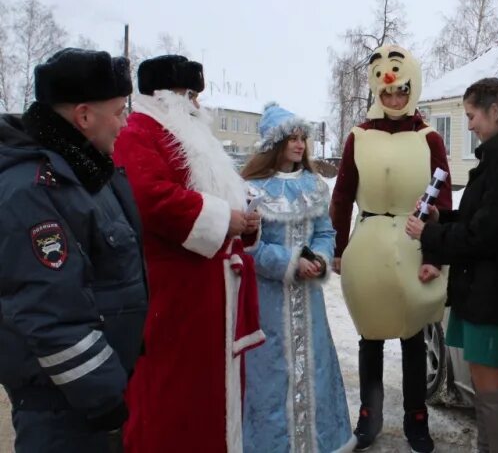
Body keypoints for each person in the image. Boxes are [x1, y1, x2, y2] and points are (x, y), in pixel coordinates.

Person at [112, 55, 265, 453]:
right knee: (172, 402)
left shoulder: (186, 135)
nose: (198, 105)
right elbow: (149, 199)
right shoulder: (139, 133)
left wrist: (243, 219)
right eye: (191, 95)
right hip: (174, 298)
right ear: (167, 95)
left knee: (210, 397)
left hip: (209, 300)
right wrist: (222, 219)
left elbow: (218, 198)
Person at [0, 48, 147, 453]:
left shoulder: (87, 171)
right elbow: (51, 315)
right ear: (83, 117)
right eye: (119, 111)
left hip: (92, 391)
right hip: (65, 405)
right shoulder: (33, 191)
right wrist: (105, 400)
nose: (125, 122)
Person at [405, 77, 498, 453]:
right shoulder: (496, 162)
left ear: (495, 111)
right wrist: (442, 219)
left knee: (490, 388)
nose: (469, 124)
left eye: (473, 116)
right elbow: (479, 220)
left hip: (492, 295)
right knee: (482, 383)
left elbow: (484, 237)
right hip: (480, 292)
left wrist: (428, 236)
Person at [330, 44, 451, 453]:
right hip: (368, 243)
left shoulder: (428, 138)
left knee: (413, 336)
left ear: (412, 88)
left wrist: (435, 255)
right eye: (387, 93)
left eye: (402, 91)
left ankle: (417, 418)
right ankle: (370, 413)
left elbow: (445, 202)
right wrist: (338, 246)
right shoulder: (358, 136)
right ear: (376, 92)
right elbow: (343, 194)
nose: (395, 99)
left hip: (414, 243)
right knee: (370, 336)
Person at [240, 103, 354, 453]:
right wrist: (290, 263)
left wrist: (318, 259)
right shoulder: (251, 189)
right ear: (275, 143)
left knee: (314, 370)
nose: (300, 144)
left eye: (303, 137)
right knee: (271, 380)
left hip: (309, 303)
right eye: (292, 137)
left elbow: (325, 231)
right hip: (269, 305)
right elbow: (249, 248)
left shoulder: (313, 185)